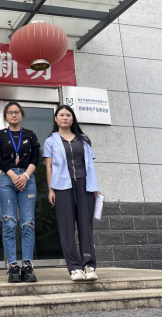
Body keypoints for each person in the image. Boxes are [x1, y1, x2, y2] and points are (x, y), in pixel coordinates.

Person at [43, 105, 100, 282]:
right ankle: (74, 267)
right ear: (56, 119)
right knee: (66, 227)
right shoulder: (50, 141)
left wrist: (95, 187)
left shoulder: (83, 139)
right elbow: (49, 167)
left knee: (85, 225)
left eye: (68, 115)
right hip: (62, 186)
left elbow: (90, 164)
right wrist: (51, 189)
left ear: (72, 118)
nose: (65, 117)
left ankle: (89, 266)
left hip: (84, 185)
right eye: (61, 115)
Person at [0, 102, 40, 283]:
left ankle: (27, 265)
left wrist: (25, 176)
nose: (13, 115)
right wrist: (13, 175)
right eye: (10, 112)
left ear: (22, 114)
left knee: (28, 223)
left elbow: (35, 157)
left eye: (17, 112)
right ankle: (12, 265)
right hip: (6, 179)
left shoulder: (30, 134)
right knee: (9, 222)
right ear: (5, 116)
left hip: (28, 178)